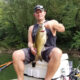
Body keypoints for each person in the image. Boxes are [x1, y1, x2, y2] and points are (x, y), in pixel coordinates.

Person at [12, 5, 65, 80]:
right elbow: (30, 42)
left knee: (58, 52)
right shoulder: (31, 28)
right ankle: (20, 78)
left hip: (48, 50)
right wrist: (31, 48)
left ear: (44, 13)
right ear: (34, 15)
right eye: (37, 12)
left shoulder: (52, 22)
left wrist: (52, 24)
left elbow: (62, 29)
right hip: (35, 49)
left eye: (41, 12)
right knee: (16, 54)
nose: (39, 14)